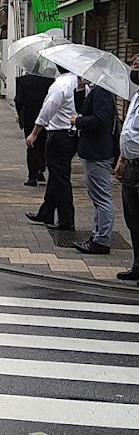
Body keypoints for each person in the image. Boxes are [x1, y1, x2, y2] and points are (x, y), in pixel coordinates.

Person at [26, 65, 78, 230]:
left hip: (59, 135)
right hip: (71, 134)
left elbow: (47, 109)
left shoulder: (60, 85)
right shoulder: (77, 82)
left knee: (60, 178)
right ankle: (47, 212)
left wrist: (34, 132)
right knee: (57, 175)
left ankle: (66, 219)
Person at [72, 80, 118, 255]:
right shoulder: (97, 90)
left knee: (102, 197)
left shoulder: (103, 91)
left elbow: (99, 119)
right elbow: (83, 109)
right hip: (93, 150)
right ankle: (97, 235)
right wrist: (81, 89)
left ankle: (102, 240)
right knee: (96, 195)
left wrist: (79, 121)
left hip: (98, 151)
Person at [115, 53, 139, 282]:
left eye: (138, 66)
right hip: (132, 165)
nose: (134, 71)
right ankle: (137, 264)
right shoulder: (137, 96)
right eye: (133, 65)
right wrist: (122, 159)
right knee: (132, 218)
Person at [15, 70, 52, 186]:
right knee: (42, 143)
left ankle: (32, 176)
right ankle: (41, 170)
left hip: (29, 117)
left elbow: (18, 100)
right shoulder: (49, 81)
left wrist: (20, 114)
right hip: (44, 117)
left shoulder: (22, 81)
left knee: (31, 146)